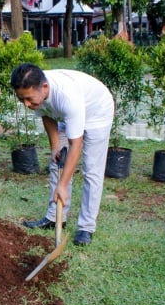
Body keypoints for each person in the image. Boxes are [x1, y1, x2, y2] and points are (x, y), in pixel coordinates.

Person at [11, 63, 114, 246]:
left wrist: (63, 185)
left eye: (28, 99)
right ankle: (55, 217)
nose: (26, 104)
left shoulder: (67, 97)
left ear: (44, 88)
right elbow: (47, 115)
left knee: (92, 170)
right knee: (56, 163)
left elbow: (76, 144)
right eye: (22, 100)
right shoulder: (38, 93)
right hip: (67, 115)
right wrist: (55, 146)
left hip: (96, 111)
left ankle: (86, 227)